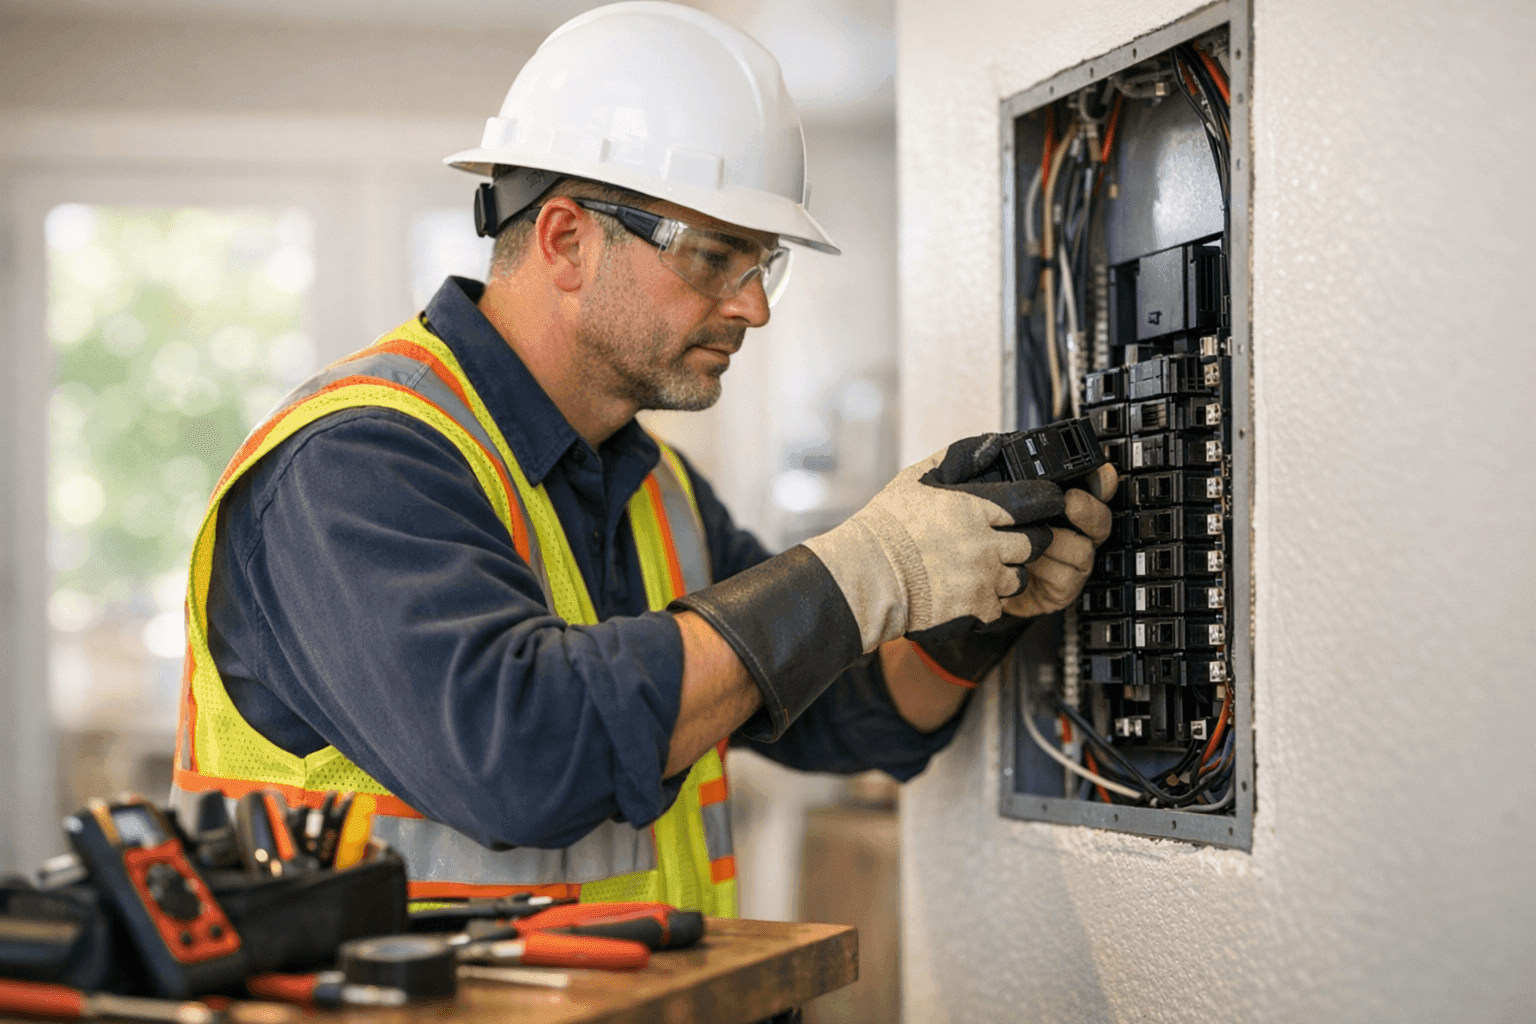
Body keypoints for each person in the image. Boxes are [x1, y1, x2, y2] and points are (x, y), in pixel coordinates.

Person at [169, 2, 1115, 911]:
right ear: (567, 239)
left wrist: (972, 600)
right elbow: (526, 756)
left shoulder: (656, 490)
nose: (755, 306)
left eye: (763, 262)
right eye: (715, 257)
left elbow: (850, 714)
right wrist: (867, 565)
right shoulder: (353, 466)